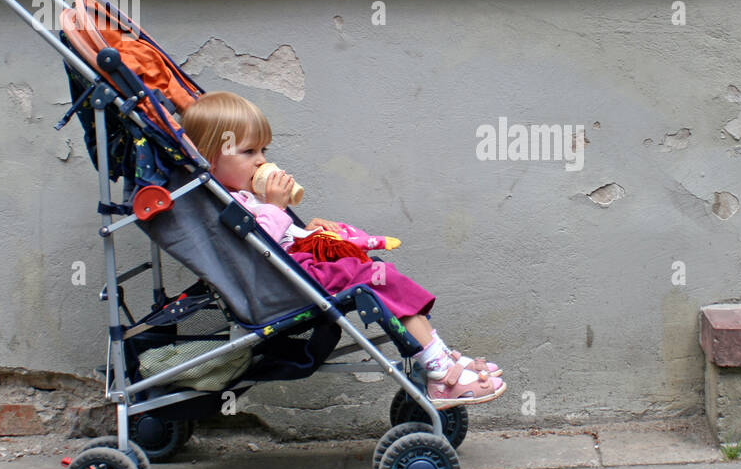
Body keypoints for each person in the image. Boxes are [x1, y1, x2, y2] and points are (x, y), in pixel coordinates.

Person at [179, 91, 505, 409]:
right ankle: (440, 372)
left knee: (378, 273)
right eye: (248, 151)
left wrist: (309, 232)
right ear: (209, 157)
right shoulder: (226, 204)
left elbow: (277, 241)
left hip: (298, 272)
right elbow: (254, 247)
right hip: (284, 288)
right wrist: (276, 207)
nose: (262, 160)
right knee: (377, 278)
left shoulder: (245, 196)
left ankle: (437, 355)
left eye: (263, 149)